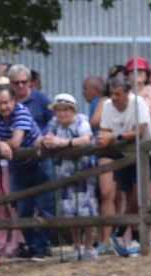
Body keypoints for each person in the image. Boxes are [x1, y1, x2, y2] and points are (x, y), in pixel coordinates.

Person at [0, 84, 46, 262]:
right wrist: (0, 144)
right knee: (22, 208)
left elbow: (17, 141)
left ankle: (43, 248)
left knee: (44, 206)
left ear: (13, 101)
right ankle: (33, 246)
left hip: (38, 161)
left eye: (6, 102)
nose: (3, 107)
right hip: (18, 165)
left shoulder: (21, 112)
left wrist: (3, 143)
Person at [39, 94, 98, 260]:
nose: (62, 114)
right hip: (64, 173)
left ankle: (88, 245)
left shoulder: (81, 122)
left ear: (73, 110)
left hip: (84, 172)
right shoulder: (53, 124)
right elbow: (44, 137)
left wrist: (64, 143)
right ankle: (76, 246)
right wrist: (47, 141)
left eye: (65, 110)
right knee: (69, 210)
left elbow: (87, 139)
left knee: (86, 209)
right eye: (58, 110)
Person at [95, 75, 148, 256]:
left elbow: (141, 132)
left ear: (127, 93)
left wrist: (114, 136)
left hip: (143, 153)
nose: (114, 98)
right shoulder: (108, 106)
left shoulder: (138, 103)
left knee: (136, 197)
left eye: (118, 94)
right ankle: (130, 238)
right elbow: (105, 130)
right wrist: (104, 139)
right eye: (112, 94)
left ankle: (122, 231)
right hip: (123, 154)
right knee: (127, 194)